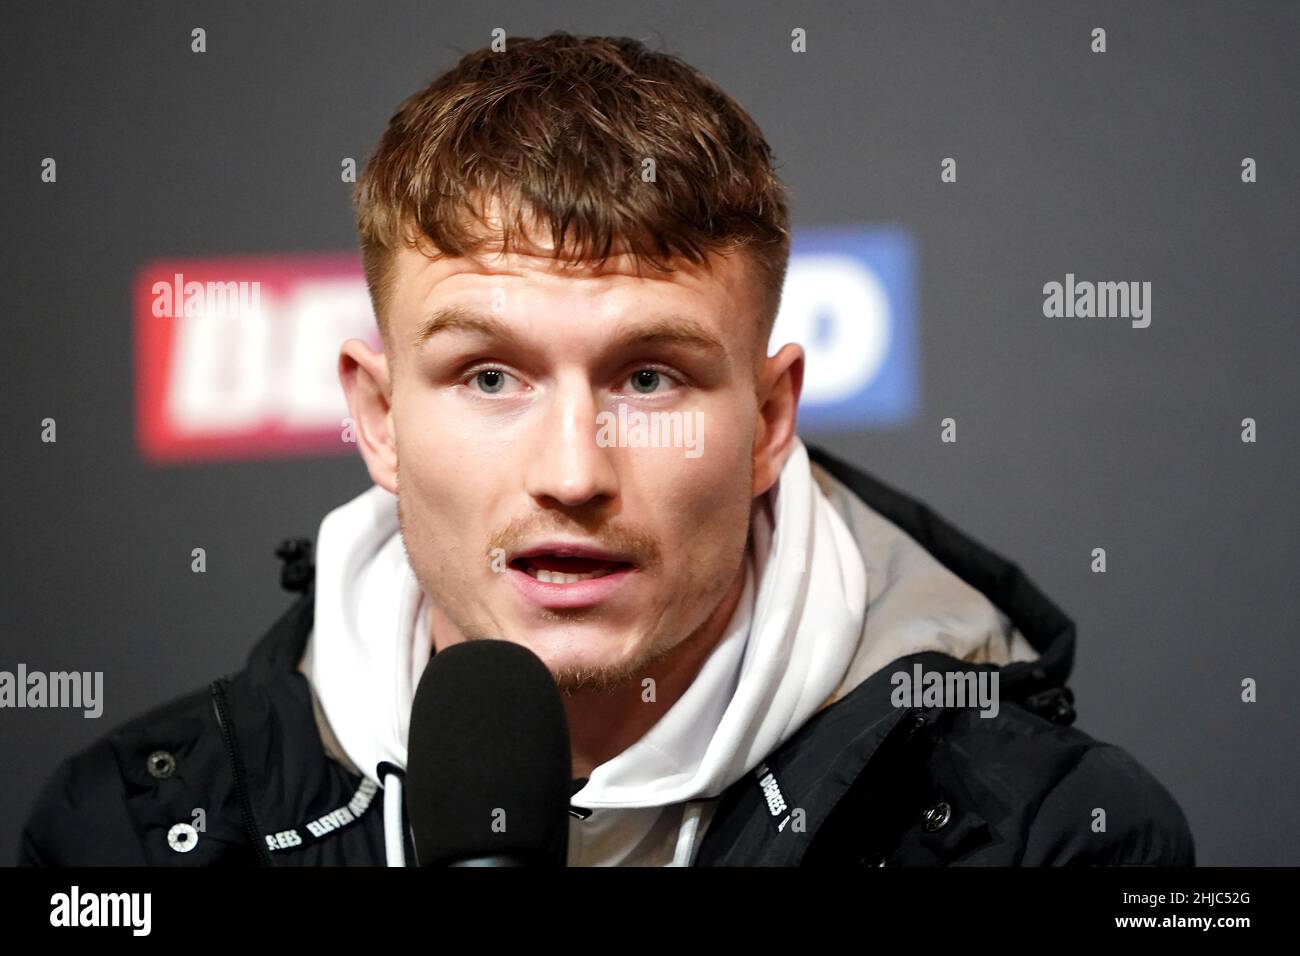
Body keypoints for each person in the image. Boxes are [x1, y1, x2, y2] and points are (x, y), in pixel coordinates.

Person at [19, 32, 1193, 867]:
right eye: (488, 375)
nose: (572, 470)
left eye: (647, 376)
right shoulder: (127, 836)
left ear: (769, 422)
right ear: (377, 417)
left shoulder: (1054, 835)